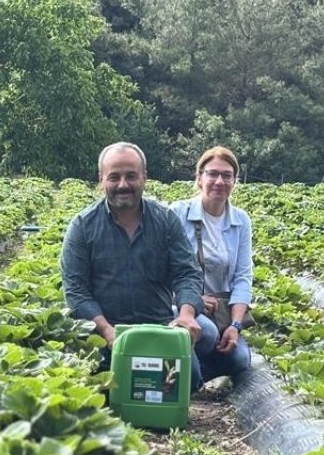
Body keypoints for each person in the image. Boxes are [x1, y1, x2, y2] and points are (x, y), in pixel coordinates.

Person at [60, 142, 214, 391]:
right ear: (101, 180)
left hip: (159, 328)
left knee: (188, 382)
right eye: (114, 177)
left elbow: (186, 273)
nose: (123, 185)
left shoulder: (165, 221)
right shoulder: (83, 226)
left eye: (131, 176)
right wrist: (108, 332)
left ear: (144, 177)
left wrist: (185, 315)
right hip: (105, 333)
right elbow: (76, 291)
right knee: (107, 387)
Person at [172, 147, 253, 383]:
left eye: (227, 176)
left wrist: (235, 326)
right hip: (179, 307)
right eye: (212, 174)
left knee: (239, 360)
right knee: (205, 334)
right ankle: (187, 376)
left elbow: (242, 277)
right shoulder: (178, 213)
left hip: (220, 314)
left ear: (234, 181)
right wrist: (191, 298)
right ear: (199, 178)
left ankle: (189, 371)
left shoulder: (241, 221)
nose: (219, 181)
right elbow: (161, 268)